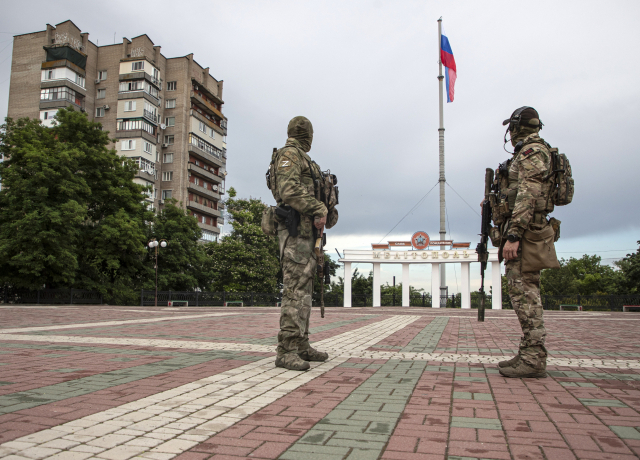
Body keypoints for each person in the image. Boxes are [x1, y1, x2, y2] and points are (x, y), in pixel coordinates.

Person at [490, 106, 557, 379]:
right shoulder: (532, 151)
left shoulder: (531, 151)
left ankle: (533, 358)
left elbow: (528, 194)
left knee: (525, 294)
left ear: (517, 127)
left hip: (527, 234)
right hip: (528, 230)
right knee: (522, 293)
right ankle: (530, 352)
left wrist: (514, 235)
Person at [271, 116, 329, 371]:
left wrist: (327, 208)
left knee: (304, 294)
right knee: (294, 292)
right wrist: (318, 207)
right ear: (308, 135)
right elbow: (288, 189)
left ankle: (301, 345)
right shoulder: (291, 155)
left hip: (308, 237)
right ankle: (286, 351)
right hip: (295, 235)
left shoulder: (306, 160)